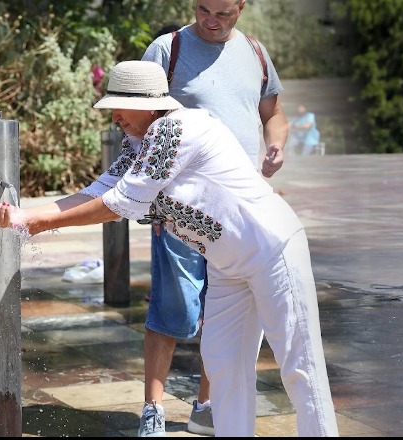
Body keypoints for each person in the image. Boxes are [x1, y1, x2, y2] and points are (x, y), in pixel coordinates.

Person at [0, 60, 338, 437]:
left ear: (151, 104)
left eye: (119, 106)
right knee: (223, 368)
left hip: (272, 250)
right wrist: (25, 216)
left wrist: (38, 223)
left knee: (300, 367)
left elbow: (119, 203)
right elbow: (97, 192)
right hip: (227, 266)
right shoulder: (139, 140)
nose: (115, 116)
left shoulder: (176, 129)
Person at [139, 0, 288, 436]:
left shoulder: (256, 53)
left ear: (241, 7)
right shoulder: (168, 51)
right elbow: (137, 121)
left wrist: (276, 143)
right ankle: (153, 409)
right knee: (174, 308)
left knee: (223, 313)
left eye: (223, 13)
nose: (211, 20)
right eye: (204, 9)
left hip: (238, 209)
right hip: (181, 208)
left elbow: (272, 113)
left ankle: (206, 405)